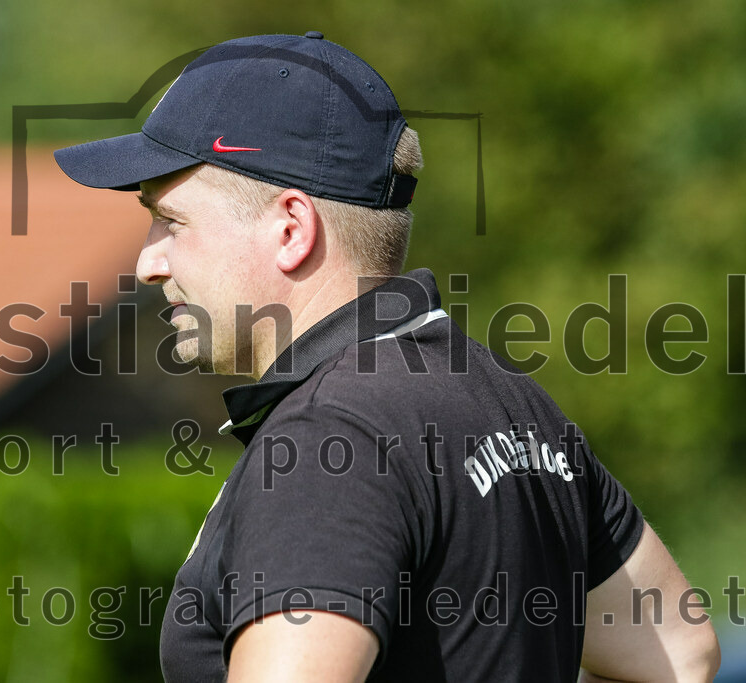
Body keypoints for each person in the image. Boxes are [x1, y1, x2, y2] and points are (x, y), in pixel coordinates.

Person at [54, 32, 721, 682]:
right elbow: (679, 651)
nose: (148, 262)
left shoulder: (326, 436)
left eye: (170, 219)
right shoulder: (508, 397)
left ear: (290, 228)